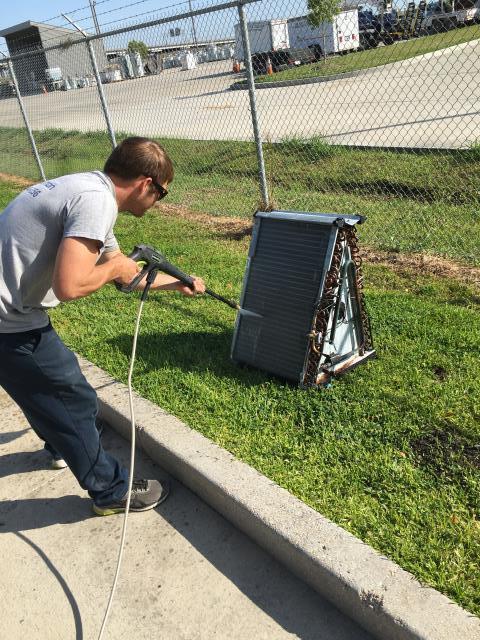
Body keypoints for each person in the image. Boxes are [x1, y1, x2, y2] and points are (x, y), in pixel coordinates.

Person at [0, 136, 205, 516]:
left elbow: (122, 274)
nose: (158, 203)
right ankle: (112, 491)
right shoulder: (96, 203)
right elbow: (71, 284)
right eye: (161, 195)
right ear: (146, 184)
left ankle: (61, 443)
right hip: (8, 322)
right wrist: (114, 267)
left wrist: (177, 283)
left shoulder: (87, 188)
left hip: (10, 313)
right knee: (75, 398)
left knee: (38, 389)